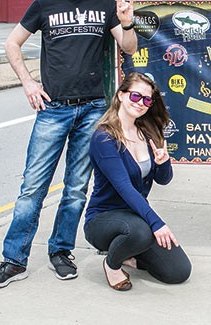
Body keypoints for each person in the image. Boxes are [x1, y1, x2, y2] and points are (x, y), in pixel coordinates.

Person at [0, 0, 138, 288]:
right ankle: (13, 260)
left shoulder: (103, 3)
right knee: (32, 187)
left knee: (76, 188)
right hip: (52, 110)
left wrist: (126, 21)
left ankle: (60, 251)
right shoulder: (45, 4)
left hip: (92, 109)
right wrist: (28, 83)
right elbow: (12, 44)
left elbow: (128, 46)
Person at [83, 72, 191, 291]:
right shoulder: (104, 138)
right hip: (103, 220)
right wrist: (157, 223)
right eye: (135, 96)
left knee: (178, 271)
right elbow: (124, 188)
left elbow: (163, 180)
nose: (141, 103)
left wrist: (163, 163)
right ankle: (112, 264)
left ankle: (129, 255)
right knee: (140, 232)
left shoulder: (147, 131)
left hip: (136, 217)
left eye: (147, 100)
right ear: (121, 95)